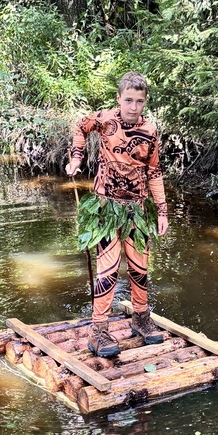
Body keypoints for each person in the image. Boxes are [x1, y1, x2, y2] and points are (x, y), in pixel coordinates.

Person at [66, 71, 169, 358]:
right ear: (118, 98)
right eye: (128, 100)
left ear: (145, 101)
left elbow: (154, 171)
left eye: (139, 101)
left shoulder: (150, 130)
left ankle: (141, 317)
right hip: (106, 208)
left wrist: (162, 211)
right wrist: (77, 157)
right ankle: (98, 329)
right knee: (108, 269)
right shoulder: (104, 119)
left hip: (137, 209)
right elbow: (80, 126)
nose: (133, 107)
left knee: (139, 267)